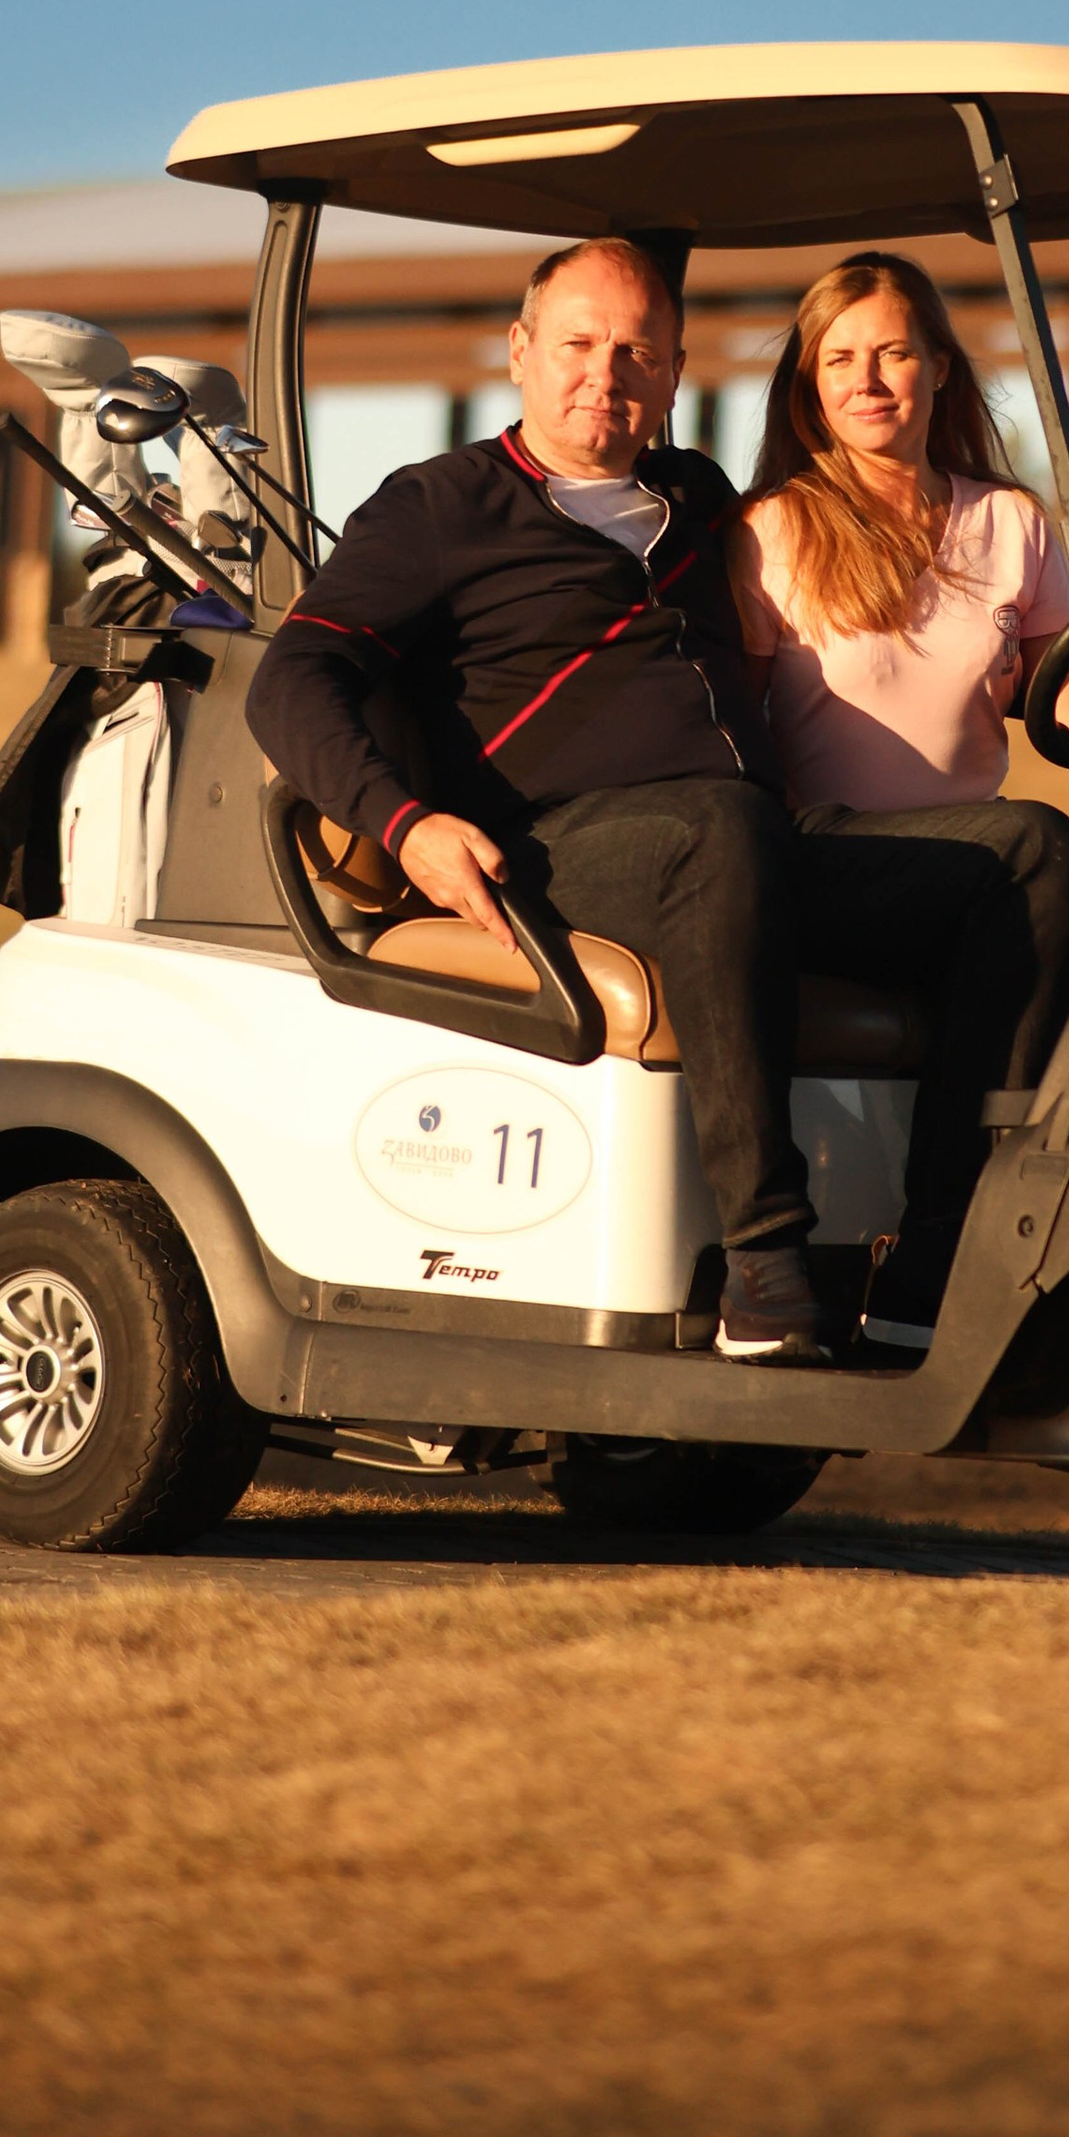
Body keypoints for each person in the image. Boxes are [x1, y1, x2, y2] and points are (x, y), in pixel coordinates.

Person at [252, 235, 843, 1363]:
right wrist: (403, 824)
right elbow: (293, 677)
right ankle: (767, 1264)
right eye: (576, 344)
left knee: (1023, 859)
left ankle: (941, 1266)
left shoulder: (700, 497)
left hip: (751, 842)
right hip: (553, 853)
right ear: (519, 351)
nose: (604, 376)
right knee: (721, 833)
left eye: (636, 353)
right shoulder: (440, 506)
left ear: (673, 375)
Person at [728, 253, 1069, 1355]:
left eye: (894, 352)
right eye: (839, 359)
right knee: (1042, 850)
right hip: (817, 856)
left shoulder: (1013, 526)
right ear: (809, 386)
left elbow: (1066, 702)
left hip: (960, 873)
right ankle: (933, 1258)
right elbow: (730, 736)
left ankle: (1065, 1280)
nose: (869, 378)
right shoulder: (774, 531)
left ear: (939, 368)